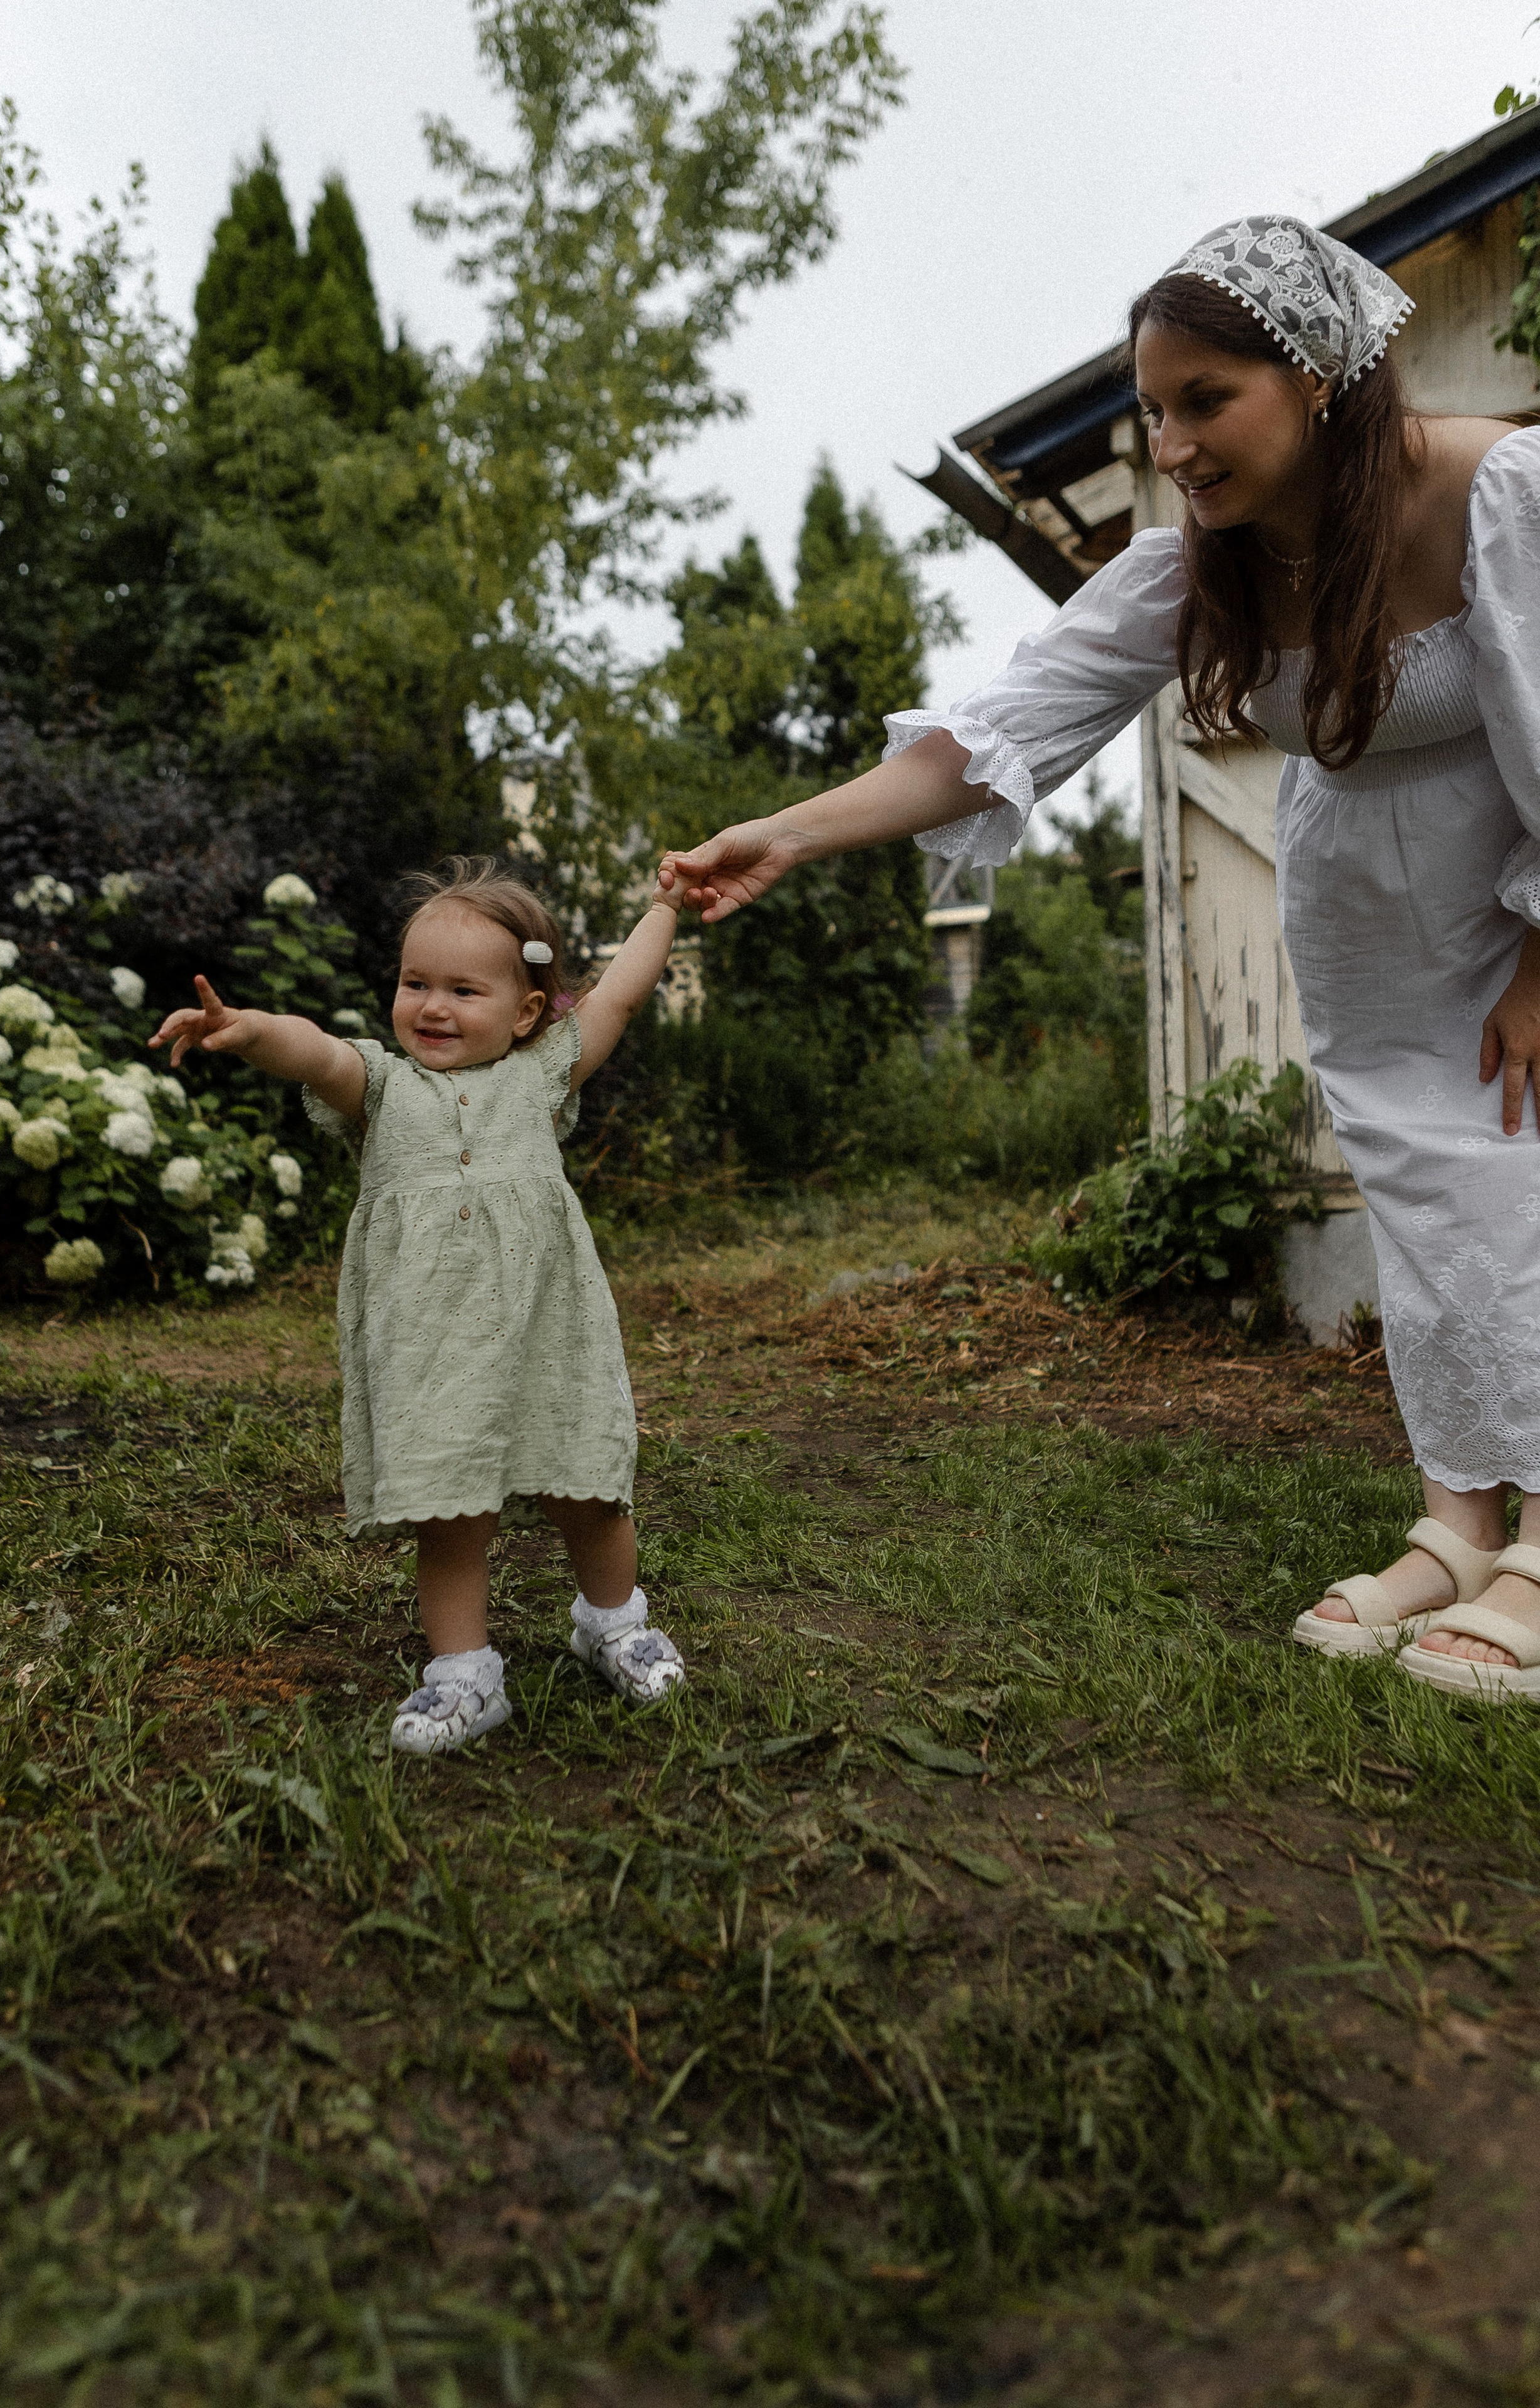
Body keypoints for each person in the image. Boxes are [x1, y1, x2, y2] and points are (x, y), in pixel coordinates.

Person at [660, 215, 1540, 1704]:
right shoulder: (1190, 567)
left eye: (1207, 399)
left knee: (1521, 1172)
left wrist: (1538, 968)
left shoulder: (1495, 489)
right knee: (1418, 1180)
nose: (1171, 441)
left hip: (1507, 882)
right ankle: (1458, 1523)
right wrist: (790, 835)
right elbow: (995, 734)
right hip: (1358, 906)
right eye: (1153, 408)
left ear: (1317, 374)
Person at [151, 858, 694, 1753]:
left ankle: (614, 1624)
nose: (431, 1006)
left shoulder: (544, 1072)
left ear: (525, 1012)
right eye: (414, 984)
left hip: (547, 1335)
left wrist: (668, 906)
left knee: (587, 1485)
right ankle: (465, 1677)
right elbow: (314, 1049)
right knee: (450, 1510)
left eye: (462, 990)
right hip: (435, 1341)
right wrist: (249, 1031)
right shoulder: (382, 1085)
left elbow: (620, 999)